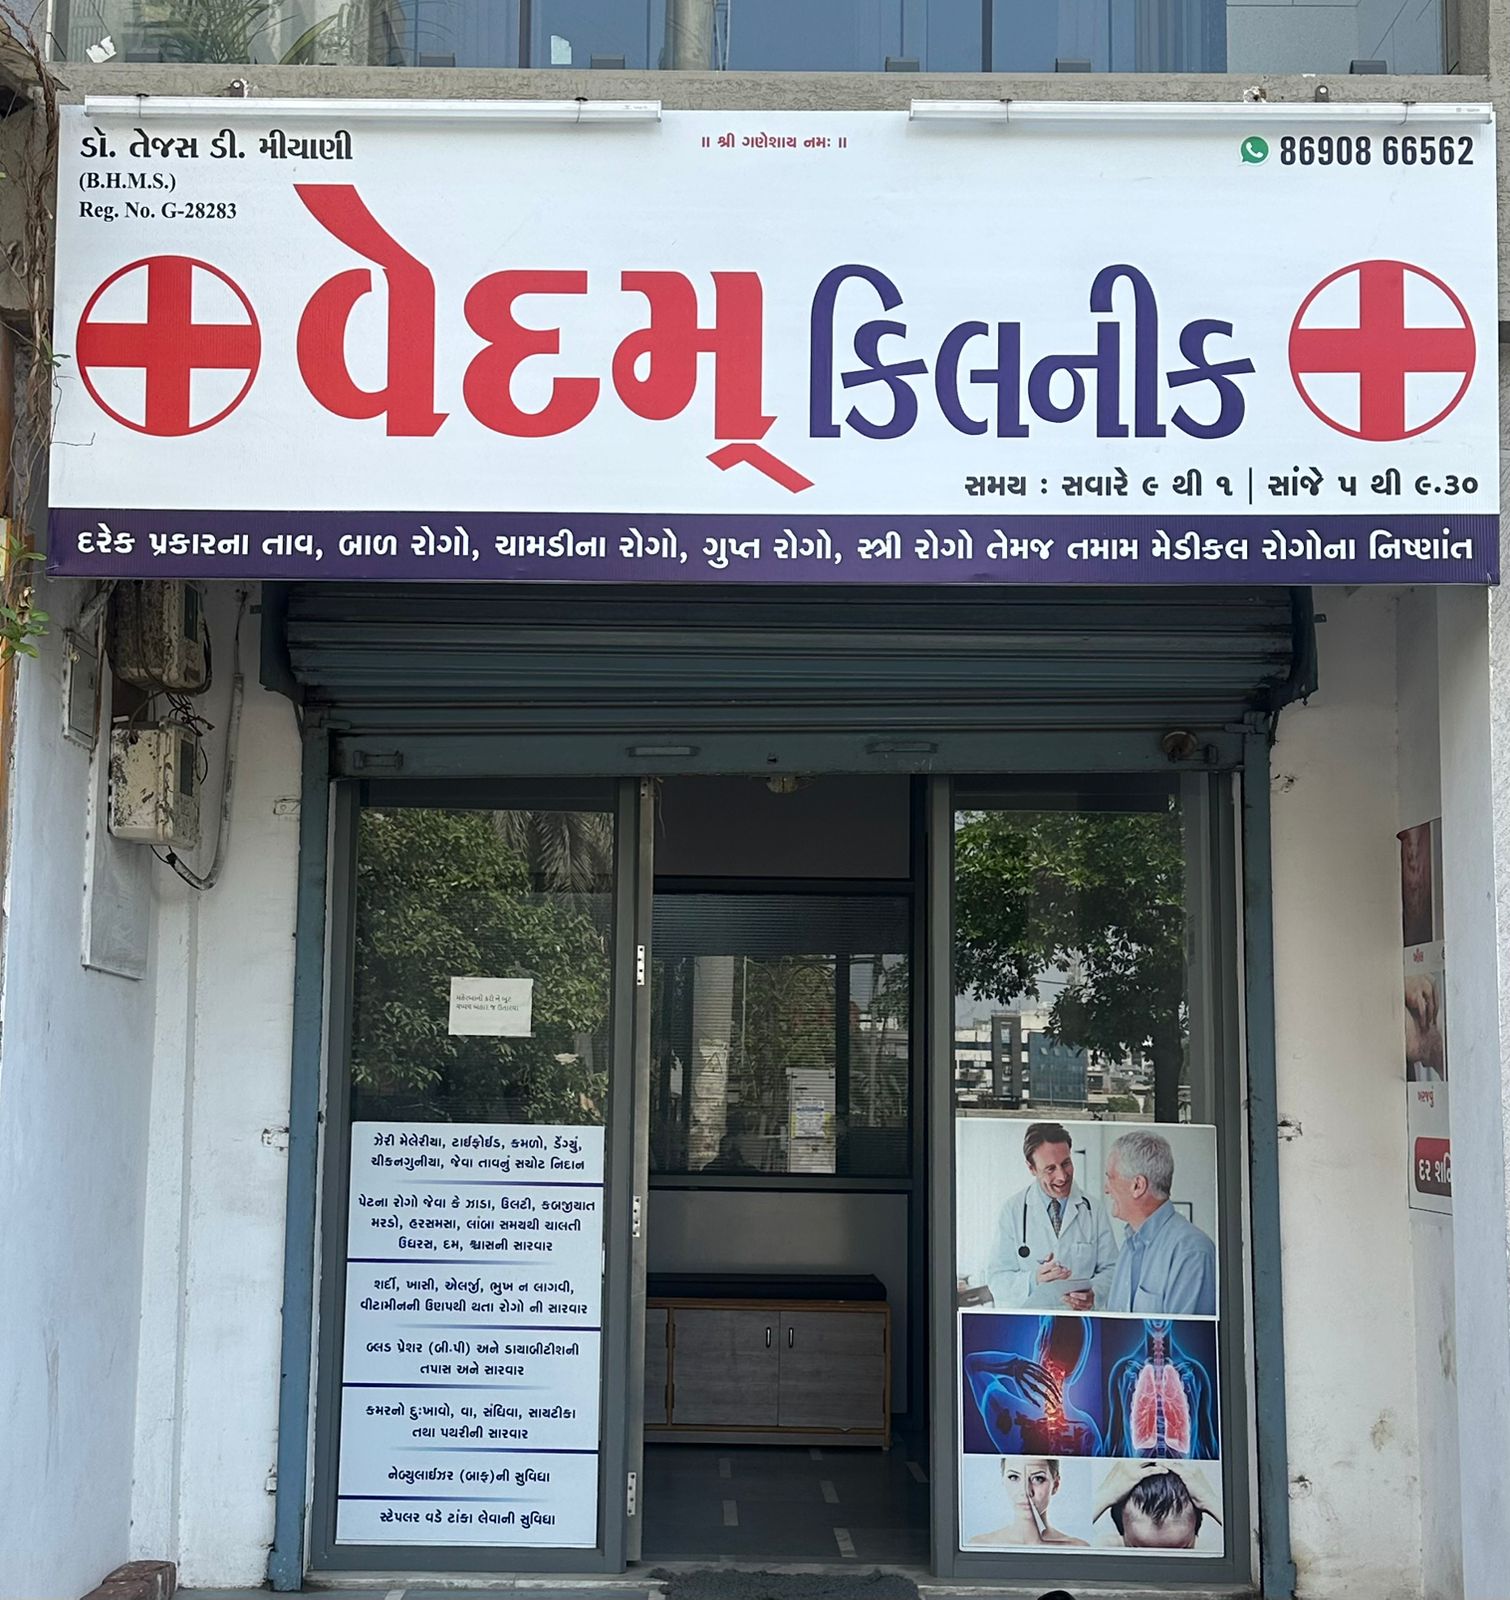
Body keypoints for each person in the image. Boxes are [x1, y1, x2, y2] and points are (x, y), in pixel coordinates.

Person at [985, 1121, 1120, 1311]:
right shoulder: (1012, 1210)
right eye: (1050, 1169)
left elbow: (1112, 1269)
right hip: (1031, 1320)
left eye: (1066, 1164)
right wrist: (1034, 1279)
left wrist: (1095, 1294)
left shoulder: (1093, 1209)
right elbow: (997, 1279)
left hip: (1080, 1319)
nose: (1062, 1177)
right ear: (1031, 1168)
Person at [1103, 1131, 1217, 1316]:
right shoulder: (1129, 1247)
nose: (1106, 1189)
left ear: (1137, 1186)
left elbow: (1185, 1334)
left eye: (1110, 1178)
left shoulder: (1192, 1252)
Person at [1092, 1459, 1220, 1549]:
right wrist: (1106, 1494)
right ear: (1122, 1534)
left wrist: (1208, 1499)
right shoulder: (1105, 1547)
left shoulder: (1212, 1552)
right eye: (1140, 1551)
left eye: (1180, 1551)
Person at [969, 1457, 1088, 1547]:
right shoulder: (979, 1544)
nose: (1025, 1491)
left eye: (1038, 1478)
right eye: (1014, 1477)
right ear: (1003, 1481)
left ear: (1055, 1484)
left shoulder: (1078, 1547)